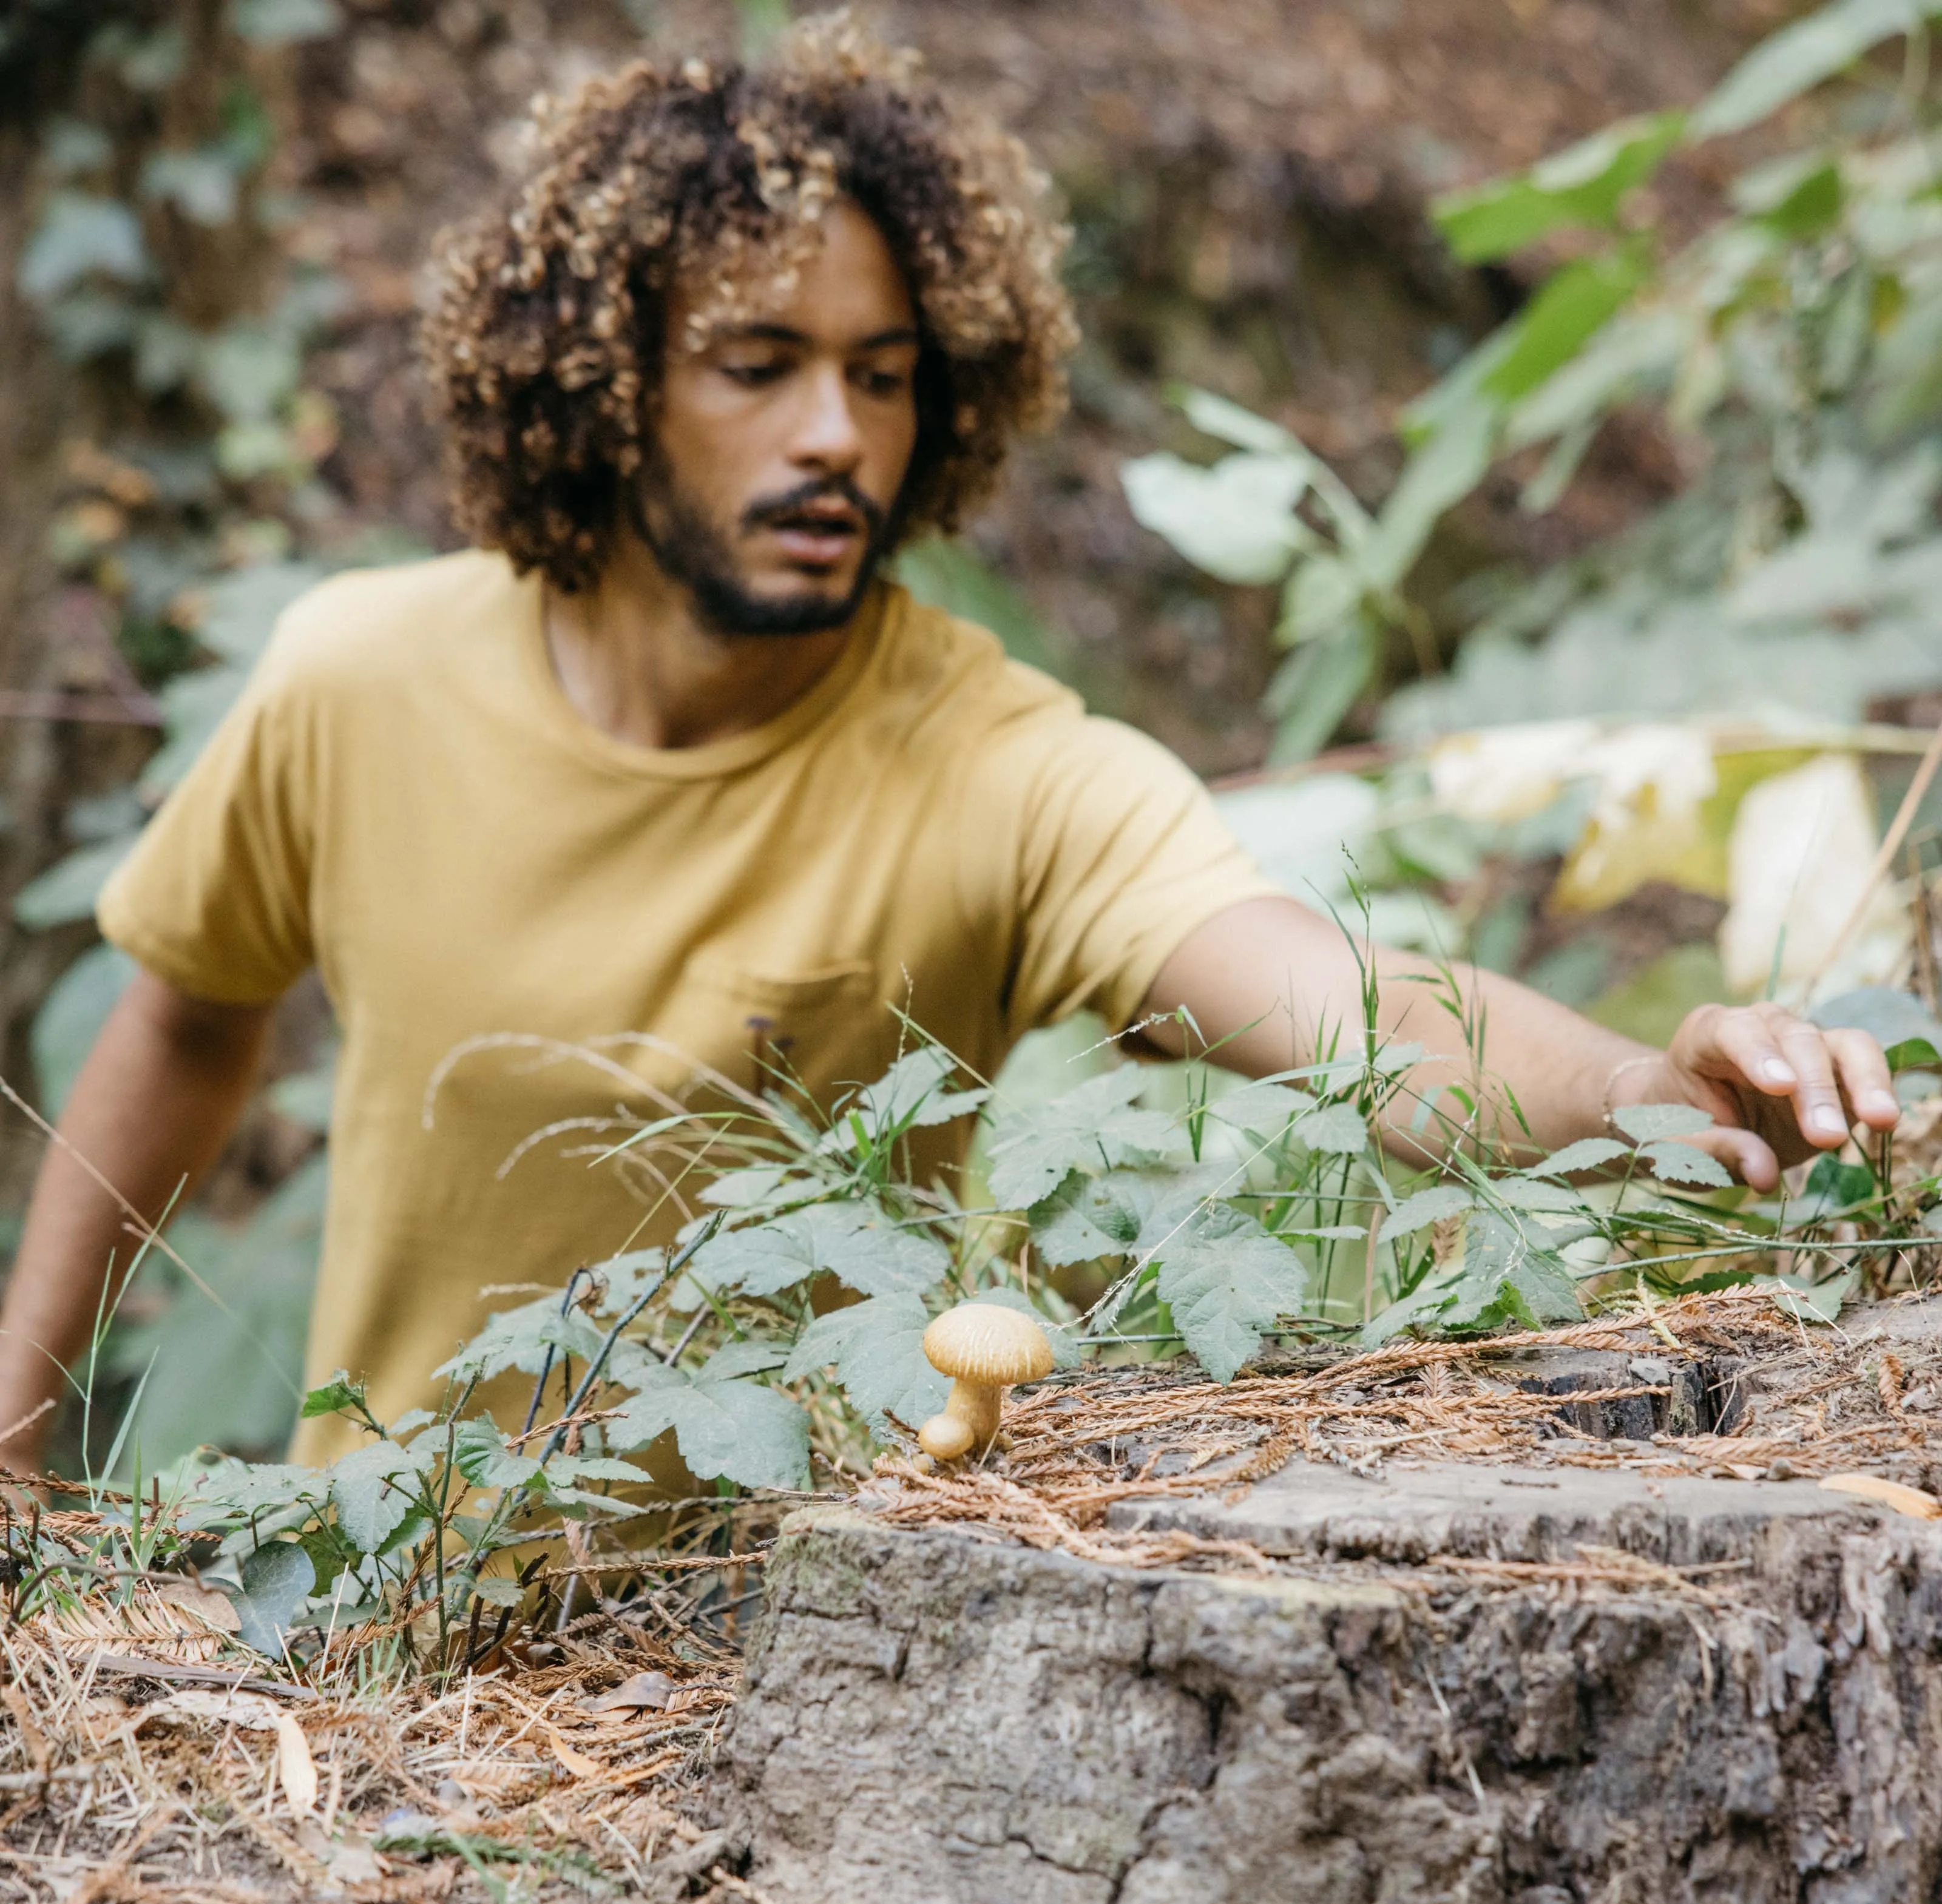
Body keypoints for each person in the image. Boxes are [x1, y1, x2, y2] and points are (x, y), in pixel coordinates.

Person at [0, 15, 1901, 1476]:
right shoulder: (354, 680)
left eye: (886, 375)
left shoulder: (990, 763)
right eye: (760, 365)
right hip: (390, 1598)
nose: (837, 433)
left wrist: (1649, 1089)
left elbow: (1346, 1005)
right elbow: (182, 1017)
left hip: (810, 1660)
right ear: (606, 386)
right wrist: (18, 1425)